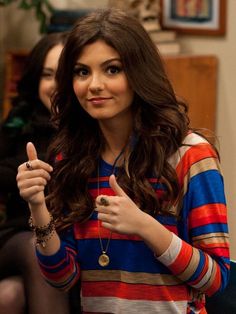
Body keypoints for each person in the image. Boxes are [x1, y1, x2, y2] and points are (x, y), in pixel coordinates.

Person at [16, 8, 230, 314]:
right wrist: (38, 206)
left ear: (138, 72)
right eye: (82, 72)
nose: (94, 85)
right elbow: (63, 278)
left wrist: (145, 226)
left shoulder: (191, 156)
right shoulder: (72, 160)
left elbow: (217, 278)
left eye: (112, 69)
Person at [0, 32, 70, 314]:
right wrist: (23, 173)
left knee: (9, 296)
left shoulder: (90, 127)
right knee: (38, 246)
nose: (56, 86)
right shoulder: (20, 119)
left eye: (66, 74)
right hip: (16, 236)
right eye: (48, 74)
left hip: (73, 238)